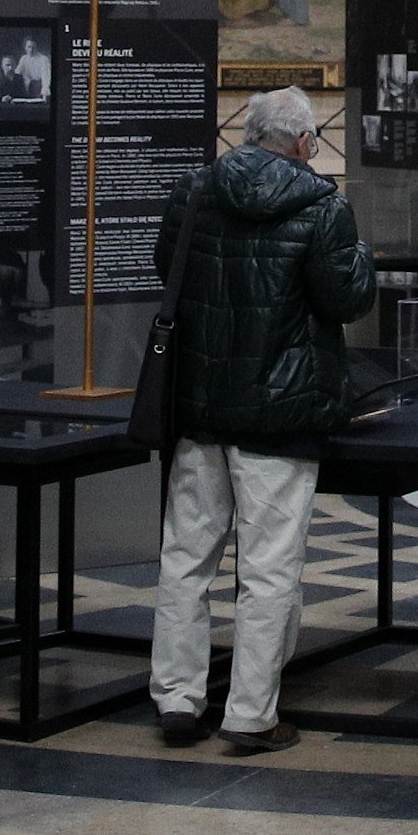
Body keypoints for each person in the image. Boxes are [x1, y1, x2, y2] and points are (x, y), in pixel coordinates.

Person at [148, 86, 373, 757]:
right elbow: (348, 298)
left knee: (187, 559)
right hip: (281, 415)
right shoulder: (322, 206)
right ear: (304, 142)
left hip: (200, 408)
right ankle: (250, 714)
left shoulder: (193, 192)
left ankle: (177, 697)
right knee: (269, 570)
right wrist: (362, 257)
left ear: (249, 134)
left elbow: (171, 273)